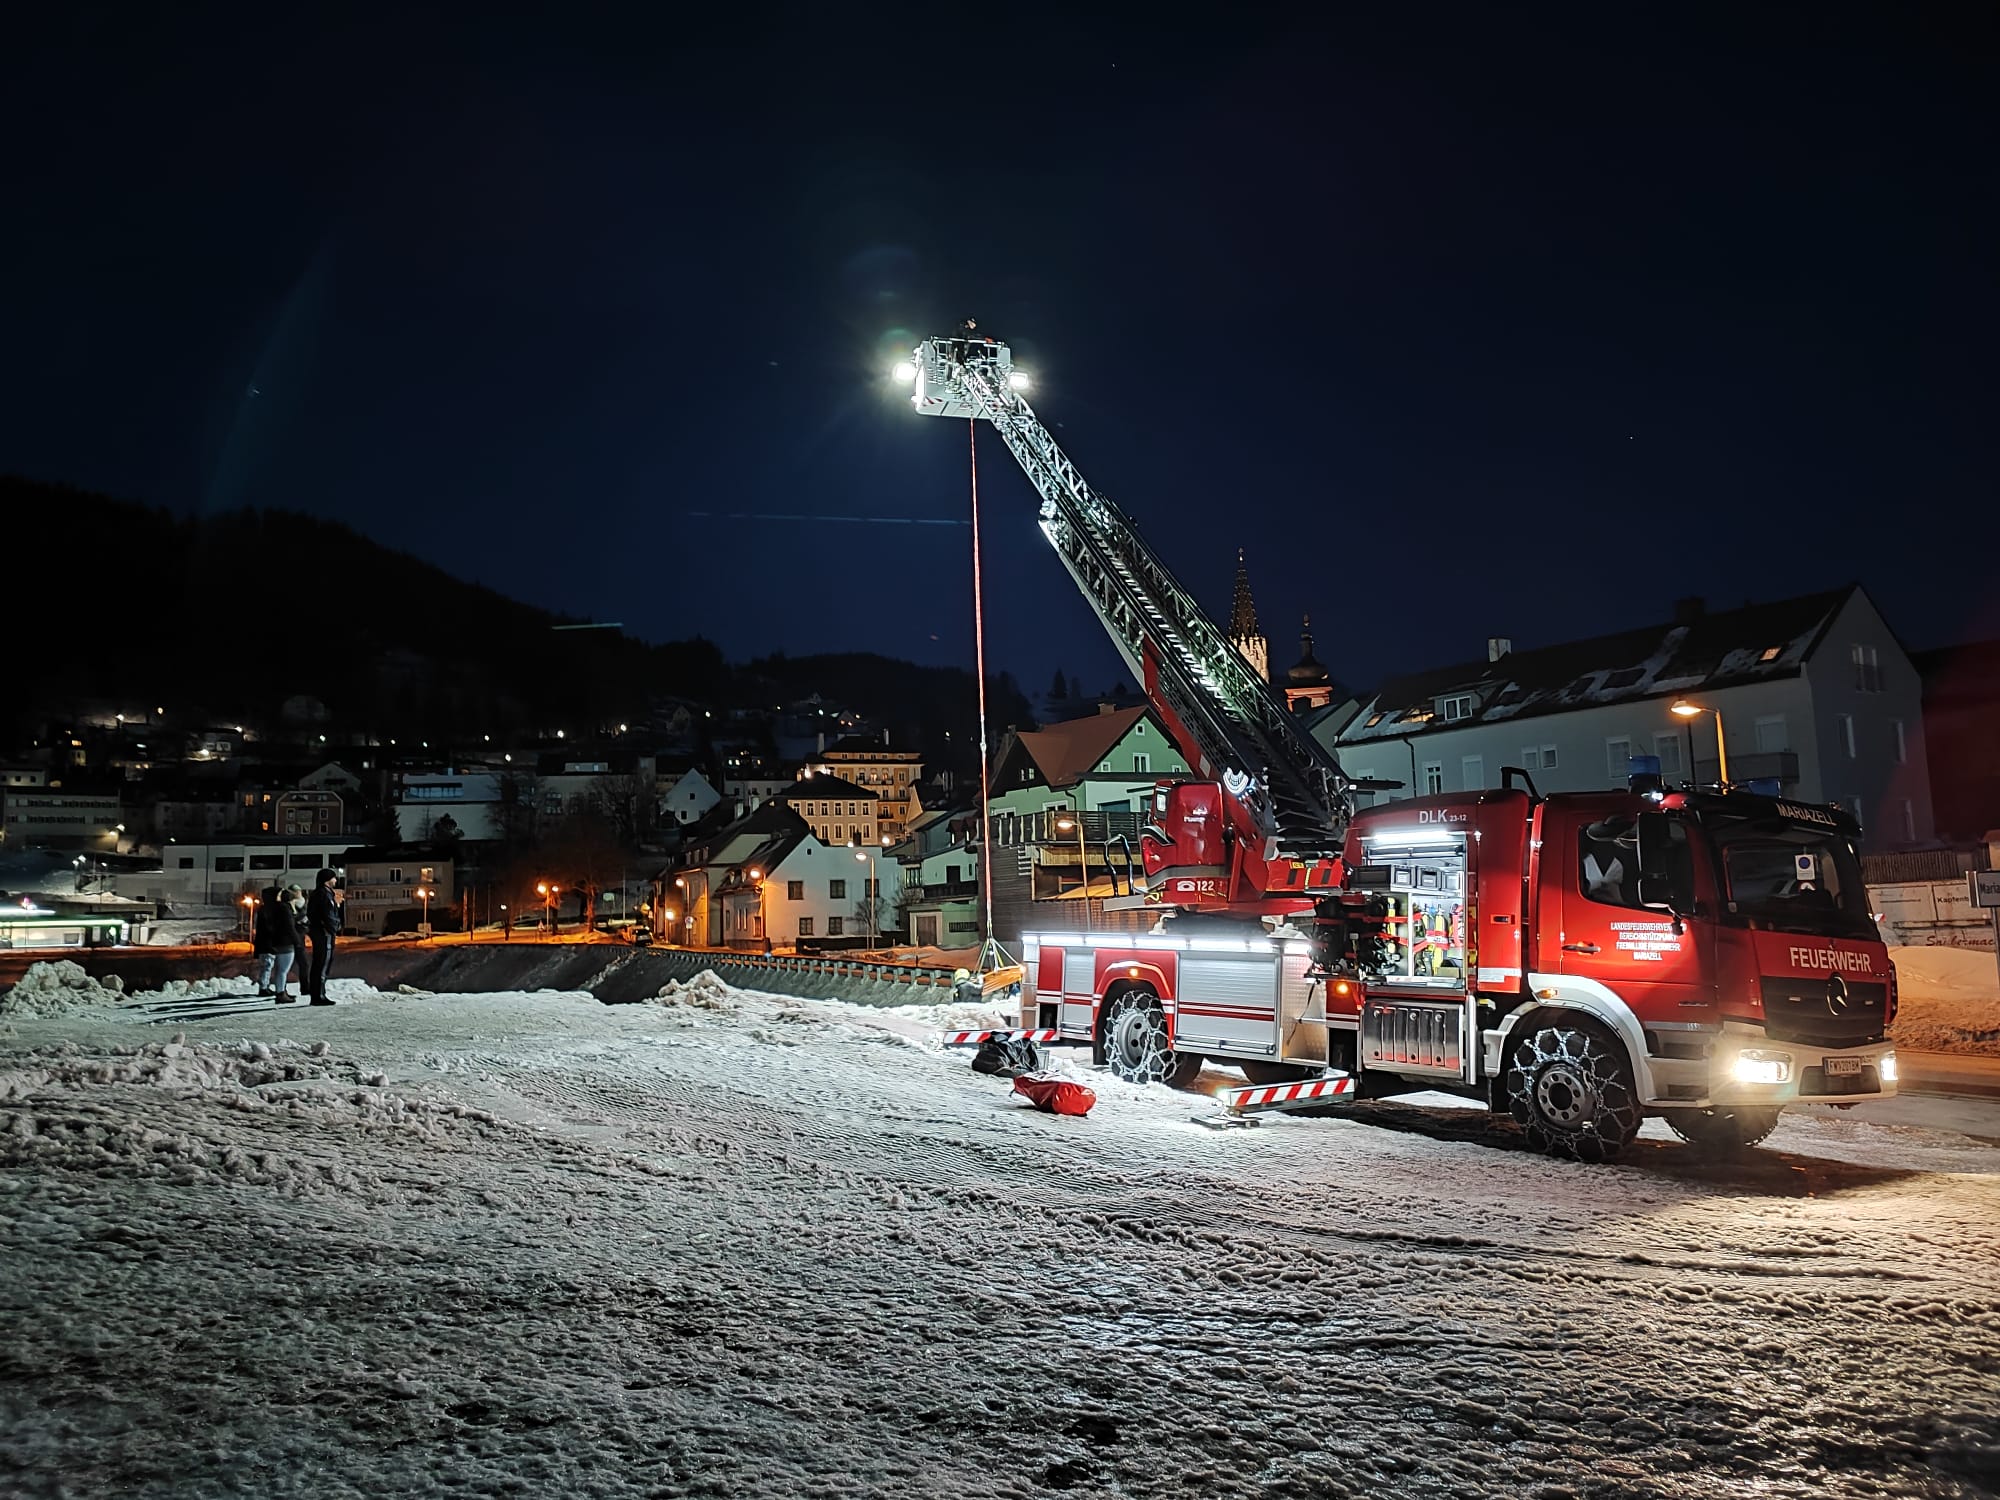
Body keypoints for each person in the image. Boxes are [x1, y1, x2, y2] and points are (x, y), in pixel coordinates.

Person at [306, 868, 343, 1006]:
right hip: (324, 933)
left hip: (323, 932)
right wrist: (335, 927)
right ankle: (318, 995)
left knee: (322, 963)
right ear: (328, 879)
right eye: (334, 878)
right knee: (321, 963)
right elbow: (327, 915)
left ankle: (319, 994)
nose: (336, 880)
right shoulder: (323, 894)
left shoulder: (324, 893)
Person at [250, 886, 281, 996]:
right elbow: (269, 927)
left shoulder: (264, 909)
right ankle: (264, 987)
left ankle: (265, 985)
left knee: (267, 964)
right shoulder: (268, 910)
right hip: (267, 942)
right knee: (267, 964)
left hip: (264, 942)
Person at [285, 885, 309, 1002]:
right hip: (291, 937)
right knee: (286, 966)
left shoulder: (304, 902)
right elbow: (290, 920)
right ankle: (282, 990)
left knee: (303, 964)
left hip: (301, 936)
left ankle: (305, 987)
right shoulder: (289, 904)